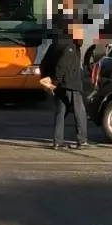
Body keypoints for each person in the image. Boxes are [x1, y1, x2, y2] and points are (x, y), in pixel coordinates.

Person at [38, 15, 91, 150]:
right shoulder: (70, 46)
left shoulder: (56, 44)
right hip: (71, 84)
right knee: (80, 112)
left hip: (60, 86)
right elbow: (62, 66)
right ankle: (82, 140)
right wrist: (55, 80)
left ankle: (57, 141)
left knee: (60, 112)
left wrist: (47, 78)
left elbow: (44, 64)